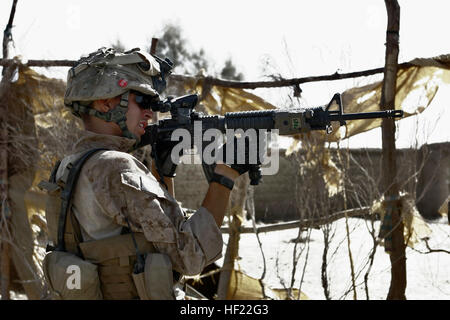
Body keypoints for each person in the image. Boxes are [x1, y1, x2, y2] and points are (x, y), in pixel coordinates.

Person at [41, 47, 255, 300]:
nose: (150, 113)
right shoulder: (116, 166)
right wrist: (225, 175)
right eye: (141, 100)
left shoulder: (68, 167)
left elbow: (138, 242)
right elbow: (190, 257)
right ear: (106, 102)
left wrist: (162, 175)